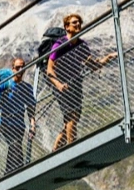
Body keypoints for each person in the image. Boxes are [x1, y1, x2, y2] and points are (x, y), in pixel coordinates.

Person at [46, 14, 116, 150]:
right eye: (74, 23)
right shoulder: (60, 44)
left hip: (75, 85)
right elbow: (49, 69)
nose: (78, 24)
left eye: (79, 22)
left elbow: (94, 66)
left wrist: (107, 58)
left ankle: (55, 150)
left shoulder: (82, 46)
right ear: (67, 27)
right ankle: (72, 148)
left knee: (73, 119)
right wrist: (59, 85)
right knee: (71, 116)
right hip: (61, 85)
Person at [0, 57, 37, 175]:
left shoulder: (26, 88)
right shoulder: (6, 83)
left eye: (22, 67)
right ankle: (18, 175)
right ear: (13, 69)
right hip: (5, 123)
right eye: (17, 67)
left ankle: (8, 175)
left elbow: (30, 109)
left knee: (15, 146)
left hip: (19, 125)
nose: (20, 70)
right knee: (15, 144)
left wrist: (33, 125)